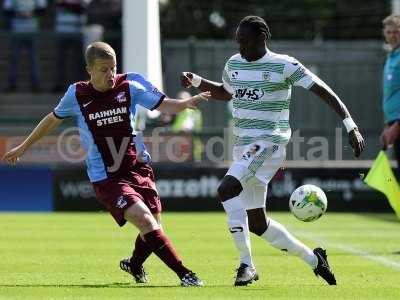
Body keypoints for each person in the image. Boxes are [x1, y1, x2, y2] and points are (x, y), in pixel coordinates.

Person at [2, 41, 209, 287]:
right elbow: (51, 120)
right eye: (103, 69)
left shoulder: (130, 84)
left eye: (113, 68)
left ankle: (133, 265)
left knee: (153, 225)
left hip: (137, 168)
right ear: (88, 69)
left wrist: (186, 103)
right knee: (145, 221)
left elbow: (165, 104)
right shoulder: (77, 94)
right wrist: (23, 147)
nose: (110, 74)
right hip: (107, 177)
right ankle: (186, 274)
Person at [181, 15, 365, 286]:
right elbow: (228, 92)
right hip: (246, 146)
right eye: (237, 42)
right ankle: (316, 260)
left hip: (269, 142)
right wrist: (197, 81)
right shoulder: (234, 63)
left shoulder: (284, 65)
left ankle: (247, 264)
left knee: (226, 188)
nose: (240, 47)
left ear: (262, 38)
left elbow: (324, 91)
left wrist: (351, 126)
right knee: (258, 224)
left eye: (244, 42)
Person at [3, 0, 47, 92]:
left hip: (32, 30)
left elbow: (42, 9)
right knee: (14, 58)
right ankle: (12, 84)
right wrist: (19, 13)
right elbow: (6, 10)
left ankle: (36, 85)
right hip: (16, 30)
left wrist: (31, 13)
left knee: (34, 58)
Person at [380, 15, 400, 179]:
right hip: (393, 123)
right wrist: (388, 125)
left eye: (397, 32)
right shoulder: (391, 56)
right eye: (389, 32)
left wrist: (397, 124)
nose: (393, 35)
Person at [53, 0, 88, 92]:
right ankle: (59, 83)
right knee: (61, 59)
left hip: (78, 30)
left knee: (79, 60)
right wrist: (72, 6)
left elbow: (84, 7)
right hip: (62, 30)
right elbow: (58, 5)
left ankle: (81, 84)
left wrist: (70, 6)